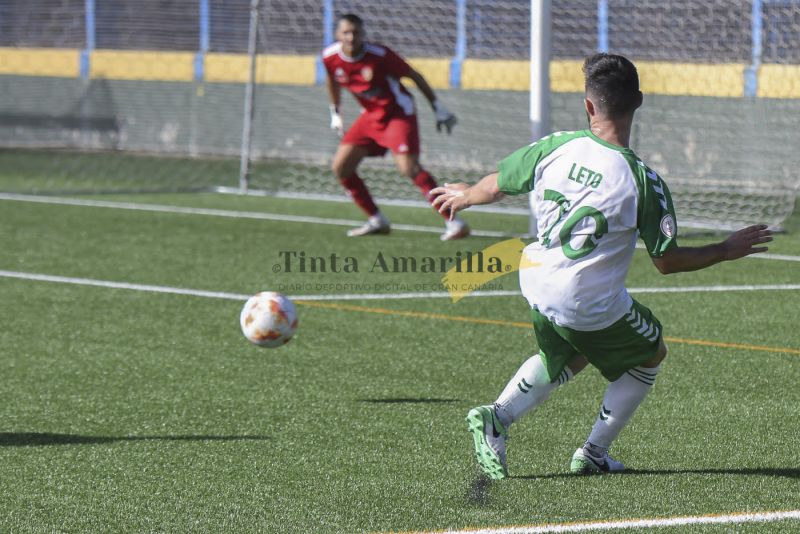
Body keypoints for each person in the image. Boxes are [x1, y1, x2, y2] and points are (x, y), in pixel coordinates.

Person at [431, 53, 773, 479]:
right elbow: (666, 261)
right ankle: (592, 452)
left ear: (589, 106)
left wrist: (464, 195)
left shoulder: (557, 145)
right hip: (582, 296)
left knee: (569, 352)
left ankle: (496, 417)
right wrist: (725, 248)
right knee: (651, 354)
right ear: (639, 101)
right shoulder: (643, 180)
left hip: (535, 277)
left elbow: (498, 184)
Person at [322, 13, 470, 241]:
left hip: (398, 114)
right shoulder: (330, 57)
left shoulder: (380, 55)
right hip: (370, 117)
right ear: (337, 34)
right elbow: (332, 80)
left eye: (356, 32)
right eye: (346, 32)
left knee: (409, 169)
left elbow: (415, 76)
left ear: (363, 34)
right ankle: (376, 220)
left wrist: (437, 107)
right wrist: (335, 112)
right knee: (341, 167)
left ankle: (455, 223)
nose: (351, 37)